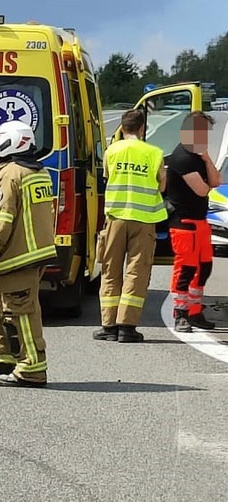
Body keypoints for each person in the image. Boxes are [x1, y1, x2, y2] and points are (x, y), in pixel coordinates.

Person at [0, 120, 58, 388]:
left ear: (8, 146)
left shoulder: (9, 175)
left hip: (17, 257)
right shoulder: (37, 172)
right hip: (22, 256)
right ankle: (0, 359)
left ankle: (32, 368)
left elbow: (1, 220)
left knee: (21, 314)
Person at [94, 108, 167, 343]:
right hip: (144, 220)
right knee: (137, 271)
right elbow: (162, 186)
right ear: (142, 128)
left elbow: (107, 176)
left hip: (115, 219)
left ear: (122, 128)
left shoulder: (111, 151)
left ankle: (108, 326)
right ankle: (127, 326)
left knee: (110, 270)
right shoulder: (154, 153)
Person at [164, 112, 221, 333]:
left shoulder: (198, 155)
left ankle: (195, 312)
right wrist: (207, 172)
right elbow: (203, 190)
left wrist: (206, 159)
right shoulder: (182, 157)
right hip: (184, 223)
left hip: (200, 222)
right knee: (185, 269)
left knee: (204, 268)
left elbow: (216, 180)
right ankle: (180, 314)